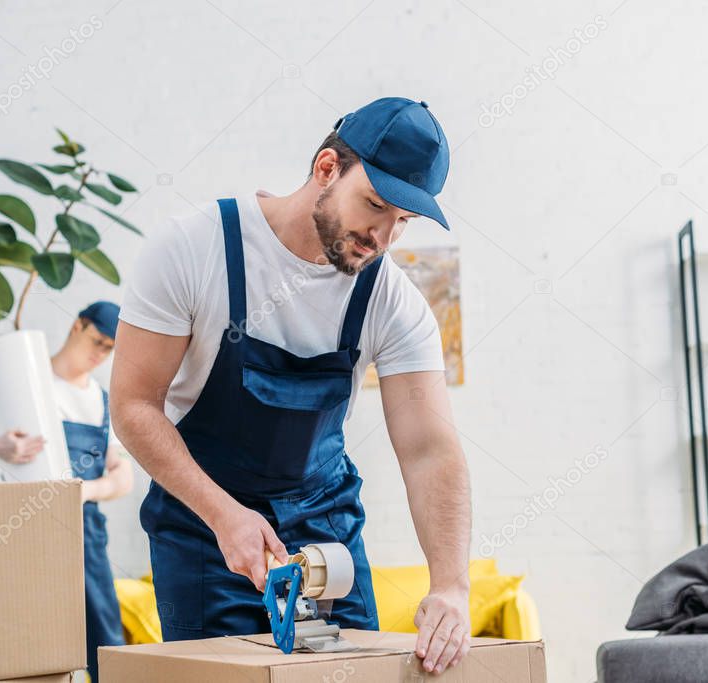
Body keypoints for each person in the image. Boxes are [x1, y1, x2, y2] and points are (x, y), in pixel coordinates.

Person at [110, 98, 472, 675]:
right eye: (375, 205)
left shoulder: (390, 298)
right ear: (326, 168)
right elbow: (133, 406)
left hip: (325, 531)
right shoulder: (191, 249)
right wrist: (225, 516)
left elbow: (430, 450)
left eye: (403, 222)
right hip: (205, 528)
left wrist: (451, 585)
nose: (382, 237)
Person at [0, 301, 132, 683]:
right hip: (22, 525)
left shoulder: (103, 401)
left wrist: (84, 491)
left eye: (109, 349)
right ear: (77, 326)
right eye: (98, 341)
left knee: (102, 629)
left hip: (85, 529)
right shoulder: (27, 380)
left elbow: (123, 477)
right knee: (26, 628)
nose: (100, 355)